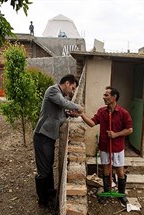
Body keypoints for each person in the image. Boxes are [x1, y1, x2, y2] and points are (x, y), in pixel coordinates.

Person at [34, 74, 83, 207]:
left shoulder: (59, 94)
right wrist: (77, 107)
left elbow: (58, 112)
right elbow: (63, 103)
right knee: (44, 169)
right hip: (42, 135)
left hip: (49, 136)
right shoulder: (53, 90)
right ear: (67, 83)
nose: (72, 91)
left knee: (48, 165)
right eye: (72, 88)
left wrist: (67, 114)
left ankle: (50, 193)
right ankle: (43, 200)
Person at [79, 86, 133, 205]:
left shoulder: (123, 113)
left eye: (106, 95)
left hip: (117, 148)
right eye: (104, 95)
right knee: (106, 170)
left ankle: (121, 194)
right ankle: (107, 192)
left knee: (120, 172)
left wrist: (116, 134)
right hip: (104, 146)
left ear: (114, 97)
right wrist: (82, 114)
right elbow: (92, 123)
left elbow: (129, 130)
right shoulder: (102, 112)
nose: (104, 97)